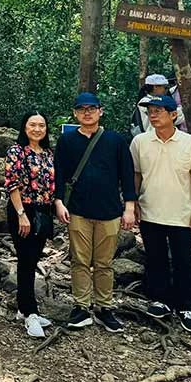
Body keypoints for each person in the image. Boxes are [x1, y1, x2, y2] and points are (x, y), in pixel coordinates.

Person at [54, 92, 137, 333]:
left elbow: (127, 174)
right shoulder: (67, 141)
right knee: (79, 261)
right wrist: (59, 201)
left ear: (101, 111)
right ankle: (81, 306)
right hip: (78, 210)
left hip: (109, 211)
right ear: (75, 113)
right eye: (82, 109)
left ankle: (104, 307)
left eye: (92, 108)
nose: (87, 113)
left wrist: (129, 207)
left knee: (104, 262)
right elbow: (59, 173)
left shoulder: (115, 140)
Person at [130, 95, 191, 334]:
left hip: (182, 213)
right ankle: (160, 300)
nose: (153, 114)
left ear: (173, 115)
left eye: (159, 110)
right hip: (150, 211)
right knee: (156, 258)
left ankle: (185, 307)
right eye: (150, 111)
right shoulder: (140, 142)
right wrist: (133, 203)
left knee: (184, 261)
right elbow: (136, 175)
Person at [5, 111, 56, 338]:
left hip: (43, 211)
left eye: (41, 125)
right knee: (25, 259)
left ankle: (22, 307)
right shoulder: (17, 151)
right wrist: (21, 214)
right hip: (22, 209)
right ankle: (30, 312)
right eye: (32, 125)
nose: (37, 129)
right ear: (24, 127)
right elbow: (12, 184)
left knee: (33, 259)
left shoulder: (48, 153)